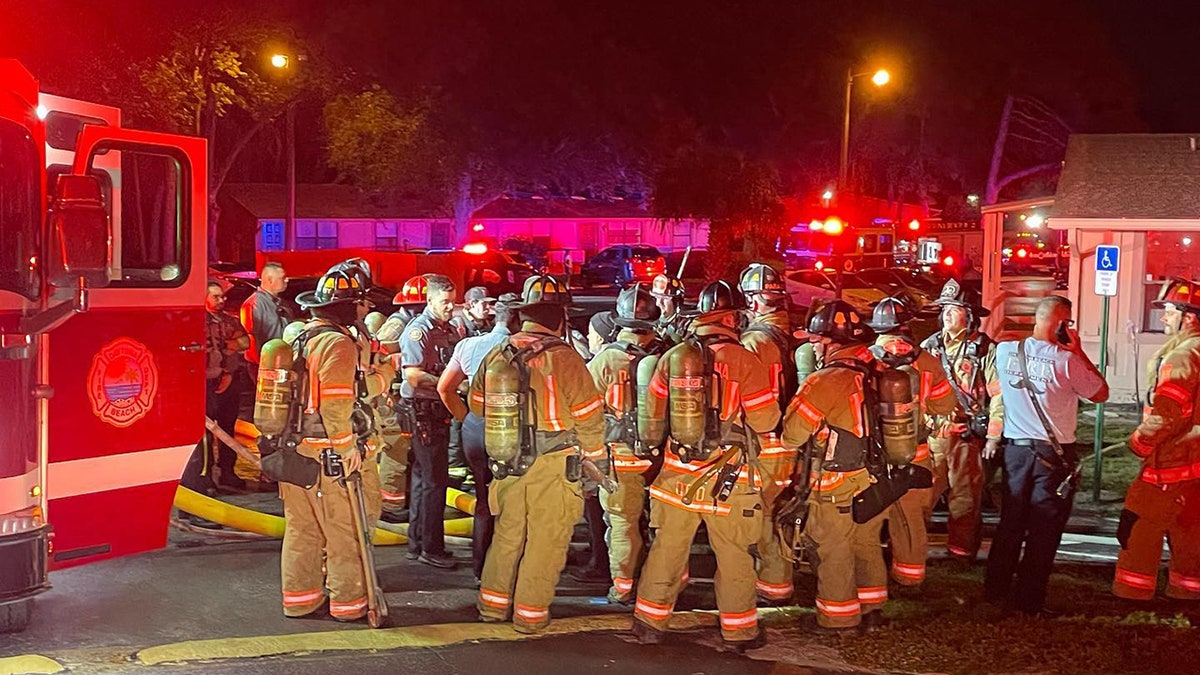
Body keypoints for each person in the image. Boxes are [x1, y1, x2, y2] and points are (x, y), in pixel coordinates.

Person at [631, 280, 779, 652]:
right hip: (729, 478)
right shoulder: (745, 359)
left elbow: (653, 418)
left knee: (666, 549)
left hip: (677, 474)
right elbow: (764, 420)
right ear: (730, 317)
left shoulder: (673, 357)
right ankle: (740, 632)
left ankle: (649, 623)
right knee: (733, 555)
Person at [469, 275, 607, 633]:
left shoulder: (499, 353)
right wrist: (594, 460)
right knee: (546, 539)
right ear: (559, 316)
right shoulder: (566, 358)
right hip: (554, 464)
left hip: (508, 461)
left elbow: (478, 406)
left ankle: (492, 606)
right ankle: (529, 615)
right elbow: (590, 416)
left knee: (508, 534)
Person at [281, 259, 394, 621]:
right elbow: (336, 405)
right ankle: (349, 605)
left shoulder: (300, 337)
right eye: (361, 303)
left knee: (303, 531)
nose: (365, 309)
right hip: (330, 459)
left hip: (296, 455)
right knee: (347, 532)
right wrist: (347, 449)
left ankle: (300, 599)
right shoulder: (338, 345)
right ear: (348, 305)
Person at [984, 295, 1108, 616]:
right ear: (1062, 324)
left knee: (1010, 523)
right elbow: (1100, 392)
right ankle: (1028, 602)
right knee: (1043, 529)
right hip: (1051, 456)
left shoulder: (1005, 351)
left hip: (1015, 452)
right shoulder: (1065, 361)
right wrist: (1076, 349)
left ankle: (994, 591)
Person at [780, 301, 889, 633]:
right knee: (866, 544)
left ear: (830, 342)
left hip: (836, 482)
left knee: (833, 548)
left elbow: (793, 433)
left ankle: (837, 619)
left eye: (815, 340)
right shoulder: (878, 369)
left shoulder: (825, 380)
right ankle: (872, 610)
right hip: (873, 476)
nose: (812, 346)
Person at [1113, 279, 1200, 601]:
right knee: (1191, 531)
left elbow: (1167, 414)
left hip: (1172, 461)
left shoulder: (1181, 357)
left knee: (1138, 525)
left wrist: (1139, 443)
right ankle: (1187, 593)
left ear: (1188, 317)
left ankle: (1131, 593)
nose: (1163, 317)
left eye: (1169, 310)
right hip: (1195, 467)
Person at [867, 297, 957, 587]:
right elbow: (945, 406)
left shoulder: (866, 357)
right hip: (916, 455)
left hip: (874, 457)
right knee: (911, 520)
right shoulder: (928, 360)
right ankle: (909, 579)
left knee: (868, 519)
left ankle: (868, 580)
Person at [587, 284, 664, 604]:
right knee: (666, 526)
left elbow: (584, 409)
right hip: (664, 457)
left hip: (621, 458)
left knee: (622, 523)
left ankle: (623, 588)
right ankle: (665, 586)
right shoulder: (667, 355)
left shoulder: (606, 360)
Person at [437, 292, 521, 583]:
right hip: (512, 432)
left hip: (476, 430)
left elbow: (444, 389)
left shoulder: (469, 345)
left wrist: (467, 419)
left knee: (484, 501)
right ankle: (508, 570)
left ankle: (480, 569)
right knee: (516, 502)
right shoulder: (524, 348)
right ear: (518, 318)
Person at [921, 279, 1001, 568]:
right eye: (945, 310)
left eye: (954, 310)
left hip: (966, 437)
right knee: (921, 496)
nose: (947, 315)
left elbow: (998, 396)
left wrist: (993, 437)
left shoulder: (985, 351)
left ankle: (960, 556)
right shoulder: (928, 347)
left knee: (965, 500)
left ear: (970, 315)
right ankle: (911, 556)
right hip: (933, 435)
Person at [737, 262, 799, 604]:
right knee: (781, 510)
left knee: (762, 514)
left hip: (764, 441)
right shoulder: (792, 334)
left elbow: (748, 396)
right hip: (790, 437)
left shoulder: (754, 342)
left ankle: (774, 584)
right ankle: (782, 578)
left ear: (755, 301)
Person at [396, 274, 459, 569]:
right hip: (422, 410)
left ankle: (418, 542)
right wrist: (449, 384)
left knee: (425, 480)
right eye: (445, 302)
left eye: (452, 301)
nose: (450, 307)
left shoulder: (447, 329)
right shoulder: (418, 331)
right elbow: (413, 375)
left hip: (435, 411)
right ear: (430, 300)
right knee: (434, 482)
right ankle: (431, 548)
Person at [374, 275, 435, 523]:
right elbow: (378, 354)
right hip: (389, 395)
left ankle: (401, 497)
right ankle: (390, 504)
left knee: (405, 447)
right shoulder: (398, 325)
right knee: (395, 446)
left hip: (399, 394)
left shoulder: (412, 323)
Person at [182, 281, 251, 496]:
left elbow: (246, 341)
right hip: (207, 383)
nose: (222, 300)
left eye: (222, 297)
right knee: (208, 432)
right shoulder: (195, 321)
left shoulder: (230, 320)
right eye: (216, 297)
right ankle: (206, 478)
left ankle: (228, 472)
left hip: (229, 379)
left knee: (228, 427)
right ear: (204, 298)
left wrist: (234, 347)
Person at [240, 261, 292, 371]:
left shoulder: (282, 303)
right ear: (270, 280)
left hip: (281, 363)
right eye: (283, 277)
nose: (287, 280)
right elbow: (251, 339)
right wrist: (262, 367)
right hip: (264, 366)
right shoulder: (254, 304)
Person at [650, 273, 688, 345]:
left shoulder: (686, 326)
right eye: (656, 297)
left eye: (664, 298)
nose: (658, 303)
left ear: (676, 301)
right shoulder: (649, 323)